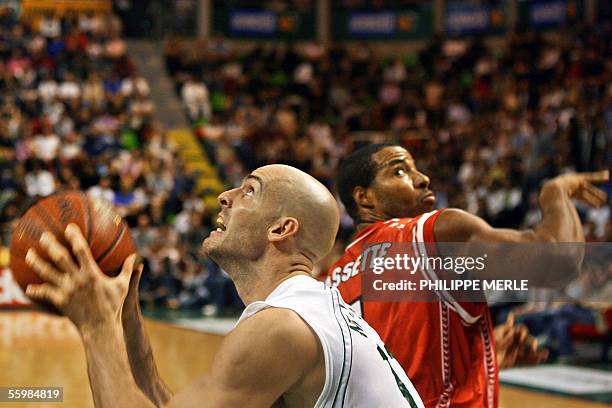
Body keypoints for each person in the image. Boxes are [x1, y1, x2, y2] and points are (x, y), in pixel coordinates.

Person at [24, 164, 425, 407]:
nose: (224, 196)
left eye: (249, 190)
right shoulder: (305, 309)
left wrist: (97, 328)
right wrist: (127, 320)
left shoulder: (284, 328)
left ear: (281, 229)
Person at [327, 144, 608, 408]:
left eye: (415, 168)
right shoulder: (431, 233)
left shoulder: (332, 281)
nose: (423, 178)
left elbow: (395, 370)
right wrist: (555, 192)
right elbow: (558, 260)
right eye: (399, 171)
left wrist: (479, 356)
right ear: (364, 197)